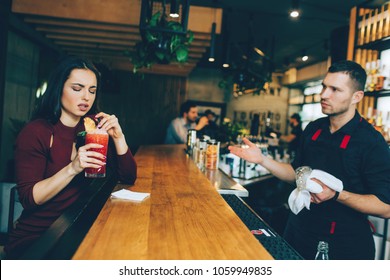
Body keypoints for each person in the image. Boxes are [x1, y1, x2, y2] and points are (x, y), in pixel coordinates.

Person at [229, 60, 390, 260]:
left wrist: (336, 195)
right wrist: (262, 159)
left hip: (343, 246)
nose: (323, 94)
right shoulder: (314, 129)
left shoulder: (370, 141)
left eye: (335, 89)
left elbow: (385, 207)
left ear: (356, 96)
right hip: (298, 233)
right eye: (324, 86)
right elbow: (297, 174)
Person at [3, 57, 137, 259]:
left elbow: (127, 177)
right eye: (77, 88)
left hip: (76, 225)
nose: (86, 97)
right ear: (59, 89)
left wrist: (119, 137)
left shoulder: (92, 127)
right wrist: (72, 168)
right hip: (39, 236)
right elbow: (30, 198)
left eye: (92, 91)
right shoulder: (36, 132)